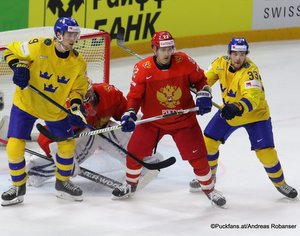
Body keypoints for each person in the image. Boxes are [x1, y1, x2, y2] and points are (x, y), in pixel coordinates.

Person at [111, 31, 226, 207]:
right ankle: (130, 184)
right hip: (153, 121)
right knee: (134, 151)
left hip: (183, 120)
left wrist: (204, 94)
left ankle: (210, 191)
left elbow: (201, 81)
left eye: (170, 48)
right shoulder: (142, 69)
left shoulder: (185, 61)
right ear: (154, 49)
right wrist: (130, 113)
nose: (167, 53)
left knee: (199, 158)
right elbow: (135, 96)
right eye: (163, 49)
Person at [189, 37, 298, 199]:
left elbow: (253, 98)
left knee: (266, 153)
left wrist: (237, 106)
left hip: (255, 116)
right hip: (230, 113)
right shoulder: (220, 63)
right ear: (229, 53)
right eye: (235, 54)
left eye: (242, 54)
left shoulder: (250, 72)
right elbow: (204, 80)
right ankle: (209, 178)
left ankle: (281, 183)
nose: (238, 58)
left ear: (246, 54)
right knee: (209, 142)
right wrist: (193, 85)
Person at [1, 17, 89, 206]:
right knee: (14, 144)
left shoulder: (78, 62)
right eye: (69, 34)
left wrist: (75, 106)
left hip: (54, 108)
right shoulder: (38, 46)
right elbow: (10, 50)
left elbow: (78, 89)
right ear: (58, 34)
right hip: (26, 103)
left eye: (75, 34)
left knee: (67, 145)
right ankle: (18, 187)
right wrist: (18, 67)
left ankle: (63, 183)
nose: (73, 38)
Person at [26, 81, 163, 187]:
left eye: (88, 95)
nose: (87, 101)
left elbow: (124, 112)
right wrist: (63, 159)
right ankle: (35, 171)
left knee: (111, 129)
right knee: (68, 154)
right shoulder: (66, 110)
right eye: (82, 98)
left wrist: (131, 119)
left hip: (101, 130)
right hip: (78, 142)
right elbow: (45, 138)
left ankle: (143, 162)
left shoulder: (109, 93)